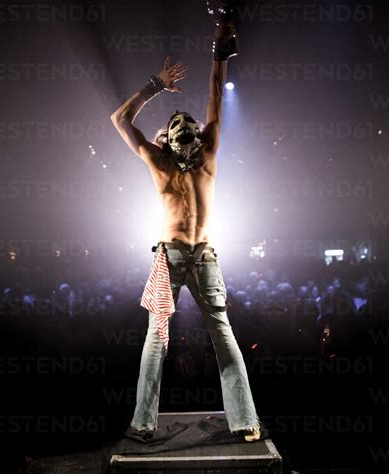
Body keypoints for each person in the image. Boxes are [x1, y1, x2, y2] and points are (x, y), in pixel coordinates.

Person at [110, 20, 261, 442]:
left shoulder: (179, 159)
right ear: (180, 139)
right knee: (204, 336)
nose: (186, 130)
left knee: (170, 338)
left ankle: (149, 424)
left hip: (184, 255)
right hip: (190, 254)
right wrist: (213, 52)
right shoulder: (188, 160)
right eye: (181, 127)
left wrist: (161, 82)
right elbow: (212, 93)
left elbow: (122, 118)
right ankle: (240, 422)